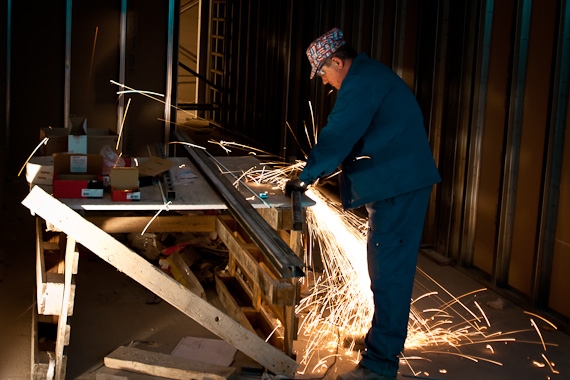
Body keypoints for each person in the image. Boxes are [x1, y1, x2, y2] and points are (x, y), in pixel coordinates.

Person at [287, 28, 441, 380]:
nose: (326, 82)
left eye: (324, 73)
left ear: (337, 62)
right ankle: (380, 342)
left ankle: (380, 365)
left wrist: (307, 175)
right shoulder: (369, 76)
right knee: (381, 269)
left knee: (389, 275)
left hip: (398, 187)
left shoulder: (361, 82)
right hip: (394, 184)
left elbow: (340, 131)